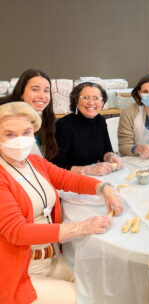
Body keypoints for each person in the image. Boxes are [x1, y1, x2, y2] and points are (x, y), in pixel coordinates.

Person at [0, 102, 123, 304]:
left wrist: (104, 188)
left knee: (102, 286)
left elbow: (69, 179)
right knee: (82, 298)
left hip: (53, 258)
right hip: (22, 271)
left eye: (26, 132)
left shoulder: (35, 162)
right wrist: (81, 227)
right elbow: (17, 231)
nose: (20, 140)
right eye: (10, 134)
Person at [53, 82, 123, 175]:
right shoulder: (63, 125)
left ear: (102, 103)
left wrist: (111, 156)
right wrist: (87, 170)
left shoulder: (100, 121)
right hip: (70, 179)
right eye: (86, 98)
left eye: (96, 98)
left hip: (95, 176)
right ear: (76, 101)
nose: (91, 102)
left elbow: (106, 151)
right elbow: (56, 166)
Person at [0, 69, 58, 160]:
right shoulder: (4, 113)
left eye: (46, 91)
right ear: (21, 92)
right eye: (35, 89)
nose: (42, 96)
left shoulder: (45, 117)